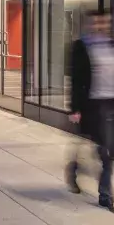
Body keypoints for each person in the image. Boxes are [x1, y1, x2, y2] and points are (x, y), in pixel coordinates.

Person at [68, 11, 114, 210]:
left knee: (102, 147)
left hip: (111, 101)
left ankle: (75, 167)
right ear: (90, 24)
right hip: (93, 104)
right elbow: (76, 80)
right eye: (97, 22)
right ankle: (105, 195)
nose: (102, 25)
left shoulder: (111, 45)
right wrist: (75, 108)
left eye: (105, 22)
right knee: (105, 150)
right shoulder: (81, 47)